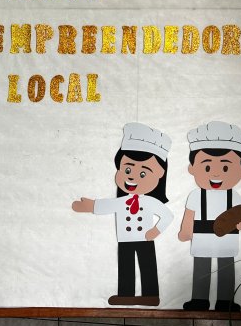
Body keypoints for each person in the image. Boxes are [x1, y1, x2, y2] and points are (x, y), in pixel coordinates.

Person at [72, 123, 173, 306]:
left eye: (143, 173)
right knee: (125, 265)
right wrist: (91, 206)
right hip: (125, 238)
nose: (132, 177)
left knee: (147, 265)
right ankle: (126, 293)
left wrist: (155, 231)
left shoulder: (150, 202)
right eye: (127, 170)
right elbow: (107, 205)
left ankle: (151, 294)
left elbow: (168, 216)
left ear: (159, 174)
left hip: (145, 238)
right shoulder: (121, 201)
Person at [178, 121, 241, 312]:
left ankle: (225, 301)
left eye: (226, 168)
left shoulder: (234, 196)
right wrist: (186, 231)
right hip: (201, 238)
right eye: (207, 167)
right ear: (192, 168)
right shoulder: (196, 195)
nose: (216, 173)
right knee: (201, 269)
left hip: (227, 238)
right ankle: (199, 299)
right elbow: (190, 215)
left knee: (226, 269)